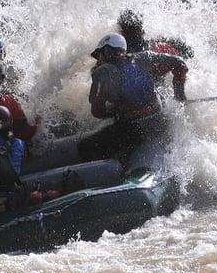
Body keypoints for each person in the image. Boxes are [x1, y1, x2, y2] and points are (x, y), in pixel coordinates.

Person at [78, 33, 188, 164]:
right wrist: (179, 96)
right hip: (160, 122)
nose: (99, 60)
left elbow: (97, 112)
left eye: (100, 54)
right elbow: (180, 64)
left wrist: (113, 111)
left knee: (84, 146)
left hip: (132, 130)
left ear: (107, 51)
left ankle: (112, 172)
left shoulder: (103, 72)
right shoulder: (145, 57)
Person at [117, 9, 194, 59]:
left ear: (122, 32)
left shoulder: (117, 54)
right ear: (142, 31)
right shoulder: (154, 46)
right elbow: (188, 51)